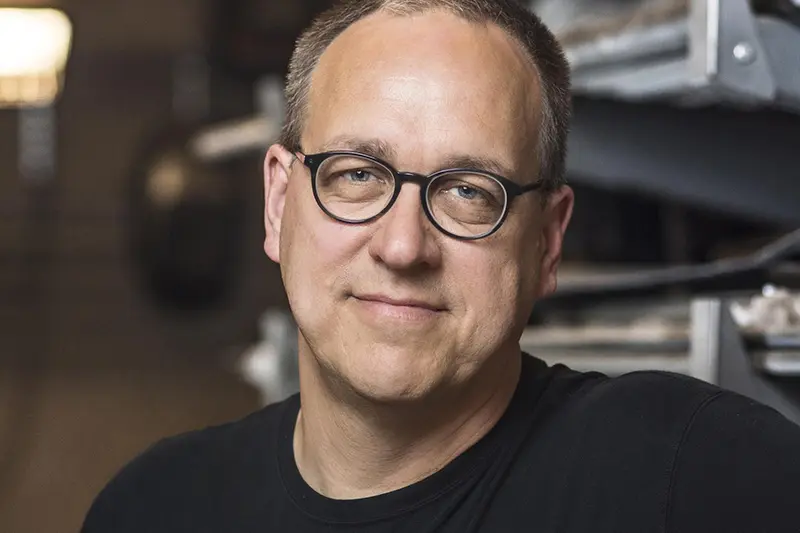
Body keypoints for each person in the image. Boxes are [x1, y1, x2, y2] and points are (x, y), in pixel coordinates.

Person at [82, 0, 800, 531]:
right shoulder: (151, 508)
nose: (402, 247)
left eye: (467, 192)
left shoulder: (689, 475)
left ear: (547, 241)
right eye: (357, 174)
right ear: (278, 202)